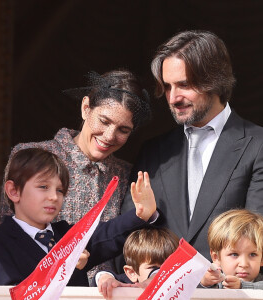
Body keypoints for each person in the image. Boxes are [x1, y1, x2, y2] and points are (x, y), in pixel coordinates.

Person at [121, 30, 263, 262]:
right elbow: (130, 237)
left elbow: (259, 239)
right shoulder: (154, 152)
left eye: (184, 84)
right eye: (167, 87)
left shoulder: (258, 146)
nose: (173, 98)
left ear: (215, 80)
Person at [0, 148, 160, 286]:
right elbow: (13, 292)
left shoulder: (67, 235)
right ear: (14, 191)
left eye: (60, 190)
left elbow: (107, 235)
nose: (54, 196)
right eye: (43, 187)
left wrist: (141, 214)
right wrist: (63, 266)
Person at [96, 227, 179, 299]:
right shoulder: (128, 285)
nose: (163, 274)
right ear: (132, 273)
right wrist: (106, 278)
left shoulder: (185, 283)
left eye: (170, 267)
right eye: (153, 268)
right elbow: (106, 278)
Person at [200, 209, 263, 289]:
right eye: (234, 254)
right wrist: (205, 283)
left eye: (252, 254)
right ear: (216, 257)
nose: (243, 264)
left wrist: (242, 286)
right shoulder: (214, 281)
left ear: (261, 259)